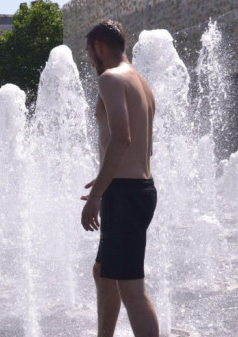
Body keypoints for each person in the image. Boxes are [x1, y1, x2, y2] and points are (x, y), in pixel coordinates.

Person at [80, 20, 159, 337]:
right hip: (137, 188)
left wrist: (99, 194)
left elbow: (122, 137)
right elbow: (145, 147)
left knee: (132, 289)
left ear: (98, 47)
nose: (89, 60)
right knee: (103, 272)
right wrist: (104, 179)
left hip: (125, 194)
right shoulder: (140, 81)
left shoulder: (110, 79)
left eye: (88, 53)